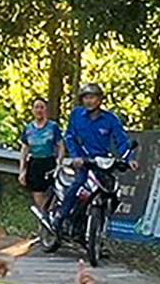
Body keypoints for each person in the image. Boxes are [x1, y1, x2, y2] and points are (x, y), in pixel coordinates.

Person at [54, 83, 132, 228]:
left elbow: (121, 140)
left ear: (100, 99)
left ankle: (98, 227)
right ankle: (60, 216)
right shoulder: (77, 115)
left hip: (101, 163)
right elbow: (69, 136)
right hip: (82, 162)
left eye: (93, 97)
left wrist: (128, 159)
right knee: (78, 183)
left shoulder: (110, 119)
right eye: (86, 98)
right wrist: (76, 156)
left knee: (113, 193)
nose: (89, 101)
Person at [18, 96, 64, 218]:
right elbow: (25, 149)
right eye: (36, 107)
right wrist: (22, 170)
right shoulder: (28, 128)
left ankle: (49, 217)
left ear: (46, 110)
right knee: (37, 193)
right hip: (35, 163)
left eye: (42, 107)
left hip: (49, 162)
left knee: (49, 193)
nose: (39, 110)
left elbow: (60, 145)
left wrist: (59, 163)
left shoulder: (53, 127)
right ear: (33, 110)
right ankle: (44, 217)